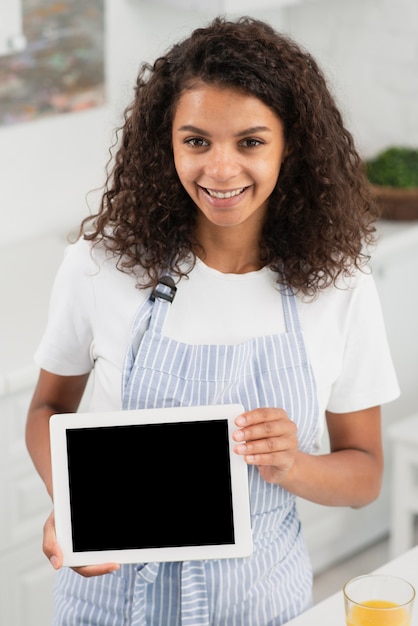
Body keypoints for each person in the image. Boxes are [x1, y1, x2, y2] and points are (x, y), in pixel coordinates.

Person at [25, 15, 399, 626]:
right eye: (196, 141)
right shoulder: (101, 266)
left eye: (250, 141)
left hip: (260, 606)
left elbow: (363, 474)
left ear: (291, 145)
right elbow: (46, 411)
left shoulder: (340, 286)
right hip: (113, 604)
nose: (220, 171)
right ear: (165, 142)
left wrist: (293, 464)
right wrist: (70, 503)